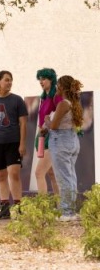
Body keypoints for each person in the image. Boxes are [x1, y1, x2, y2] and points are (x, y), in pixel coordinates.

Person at [0, 71, 28, 220]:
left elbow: (23, 123)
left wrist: (22, 143)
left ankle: (19, 207)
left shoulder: (17, 100)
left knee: (14, 173)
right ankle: (4, 208)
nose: (9, 83)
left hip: (13, 143)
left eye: (11, 81)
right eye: (7, 80)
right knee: (1, 176)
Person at [46, 75, 83, 221]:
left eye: (57, 85)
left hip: (61, 141)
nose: (56, 88)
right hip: (72, 140)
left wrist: (47, 120)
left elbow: (54, 126)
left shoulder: (63, 104)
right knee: (70, 176)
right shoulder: (74, 103)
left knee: (64, 177)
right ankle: (70, 210)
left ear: (61, 87)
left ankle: (67, 212)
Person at [34, 68, 61, 195]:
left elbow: (62, 115)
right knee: (52, 174)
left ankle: (43, 208)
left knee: (39, 172)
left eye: (44, 78)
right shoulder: (44, 98)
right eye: (39, 79)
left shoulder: (57, 96)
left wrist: (49, 127)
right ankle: (60, 206)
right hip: (43, 138)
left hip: (53, 138)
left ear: (51, 80)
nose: (41, 81)